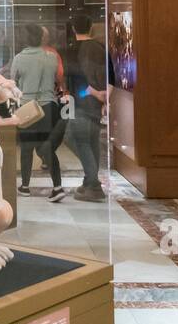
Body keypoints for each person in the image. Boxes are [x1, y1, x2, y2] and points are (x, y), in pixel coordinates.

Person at [10, 23, 67, 201]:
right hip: (49, 107)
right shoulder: (51, 57)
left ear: (26, 39)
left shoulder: (19, 58)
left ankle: (25, 186)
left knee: (26, 148)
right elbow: (59, 80)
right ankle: (57, 187)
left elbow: (13, 83)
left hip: (27, 107)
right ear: (41, 38)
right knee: (47, 147)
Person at [62, 12, 111, 202]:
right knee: (91, 142)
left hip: (83, 103)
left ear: (73, 29)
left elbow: (81, 79)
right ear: (90, 27)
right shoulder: (100, 48)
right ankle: (89, 181)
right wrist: (104, 97)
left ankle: (94, 184)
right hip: (96, 105)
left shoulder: (77, 50)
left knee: (76, 139)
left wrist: (91, 92)